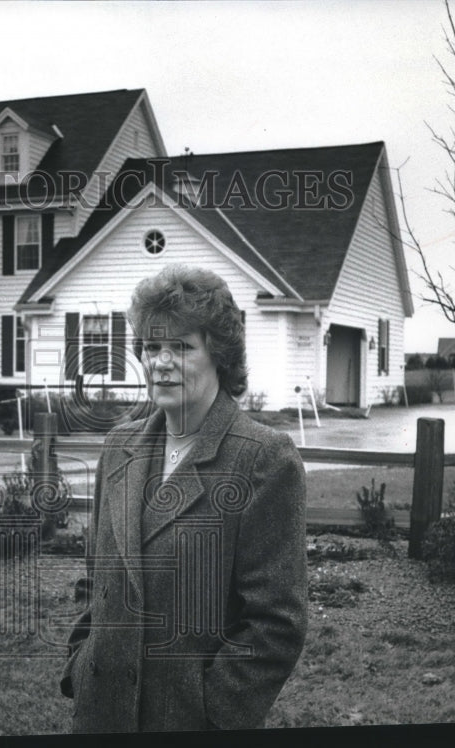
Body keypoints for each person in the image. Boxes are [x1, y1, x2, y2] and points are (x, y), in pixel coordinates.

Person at [60, 265, 308, 732]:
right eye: (151, 347)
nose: (161, 361)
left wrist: (211, 711)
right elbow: (97, 578)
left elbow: (276, 623)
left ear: (220, 356)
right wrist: (80, 662)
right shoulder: (119, 447)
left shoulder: (263, 459)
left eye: (182, 347)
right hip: (99, 715)